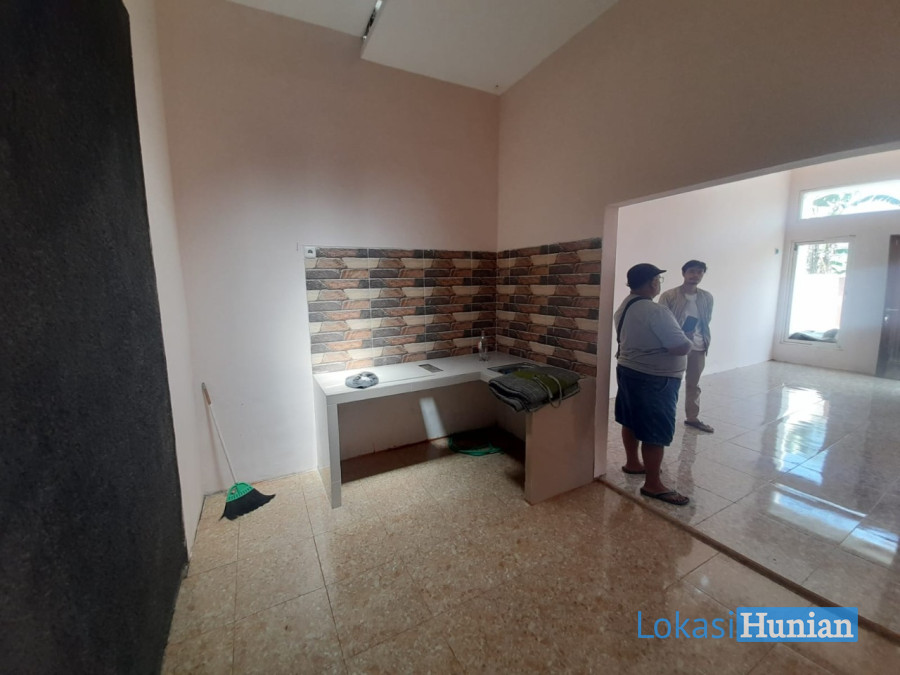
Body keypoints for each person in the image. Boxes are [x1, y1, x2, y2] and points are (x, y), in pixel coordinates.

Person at [614, 263, 692, 506]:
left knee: (630, 420)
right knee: (655, 431)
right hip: (656, 379)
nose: (659, 284)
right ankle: (653, 484)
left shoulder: (624, 306)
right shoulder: (656, 311)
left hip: (628, 371)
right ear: (651, 283)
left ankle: (633, 463)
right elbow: (680, 346)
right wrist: (688, 339)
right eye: (658, 280)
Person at [659, 260, 715, 433]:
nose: (695, 275)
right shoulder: (669, 296)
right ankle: (664, 415)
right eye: (691, 271)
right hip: (675, 346)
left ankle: (692, 418)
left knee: (694, 384)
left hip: (698, 346)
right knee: (670, 382)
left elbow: (706, 321)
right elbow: (662, 321)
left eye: (699, 272)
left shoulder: (707, 297)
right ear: (683, 273)